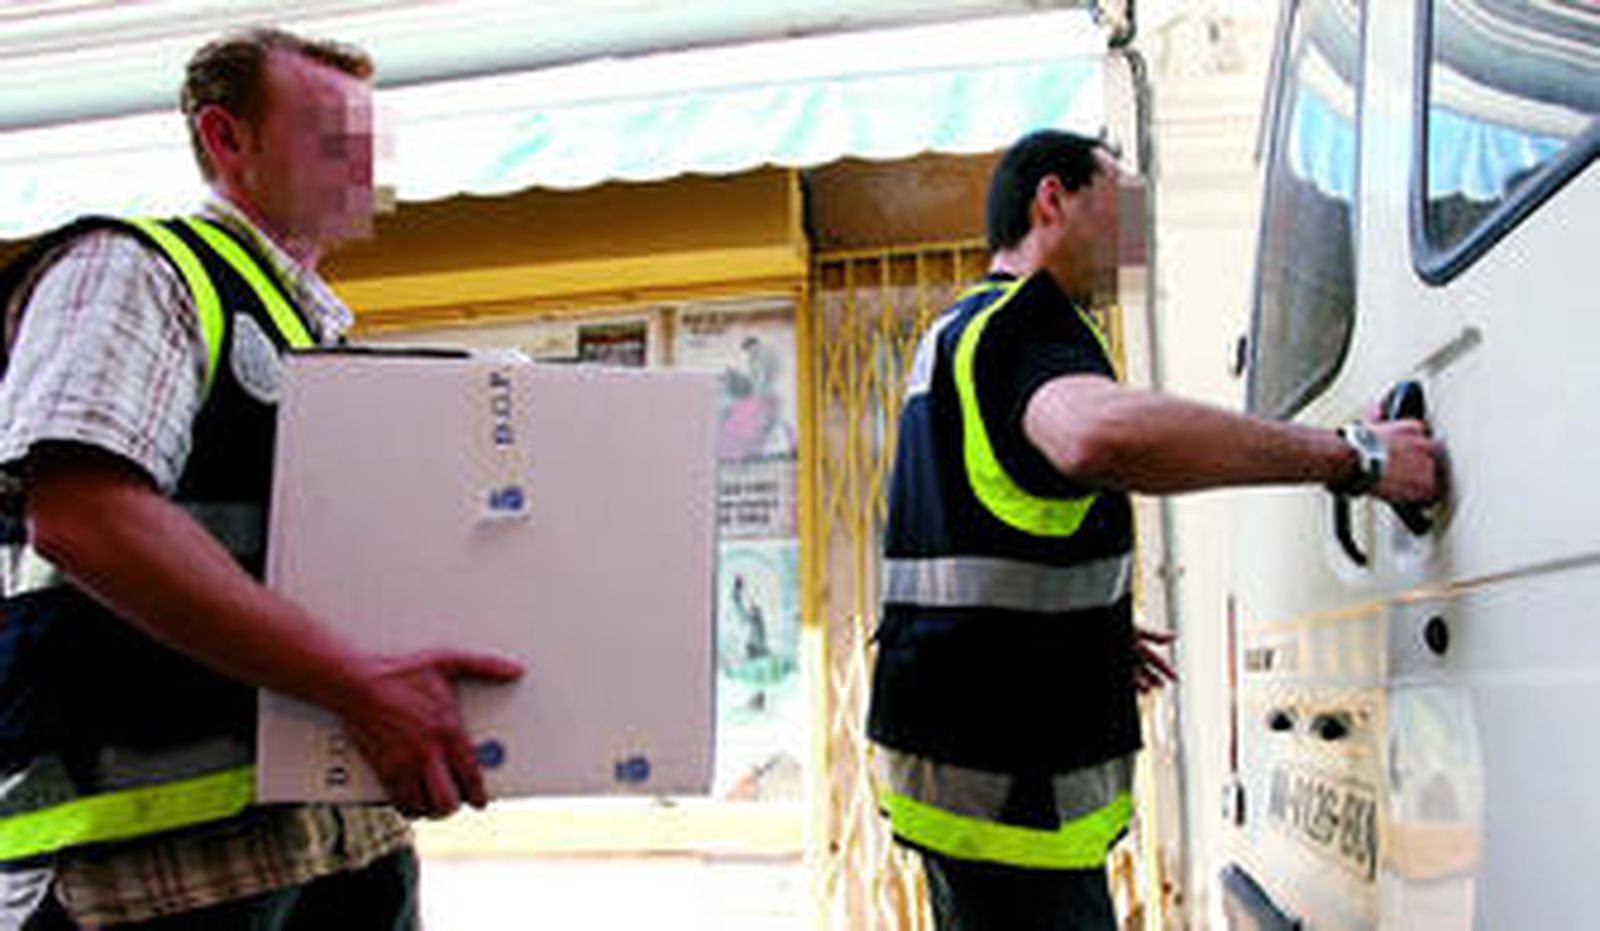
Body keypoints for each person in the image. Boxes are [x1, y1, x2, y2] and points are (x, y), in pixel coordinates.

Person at [0, 28, 523, 930]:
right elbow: (82, 516)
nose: (364, 163)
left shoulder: (307, 335)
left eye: (371, 139)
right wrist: (360, 686)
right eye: (332, 133)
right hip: (150, 873)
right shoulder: (136, 270)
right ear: (225, 138)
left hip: (335, 848)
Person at [865, 129, 1439, 930]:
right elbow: (1096, 436)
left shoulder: (952, 333)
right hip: (1016, 785)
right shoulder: (1032, 321)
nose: (1140, 238)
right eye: (1124, 205)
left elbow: (981, 532)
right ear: (1052, 199)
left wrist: (1083, 627)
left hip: (950, 768)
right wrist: (1353, 459)